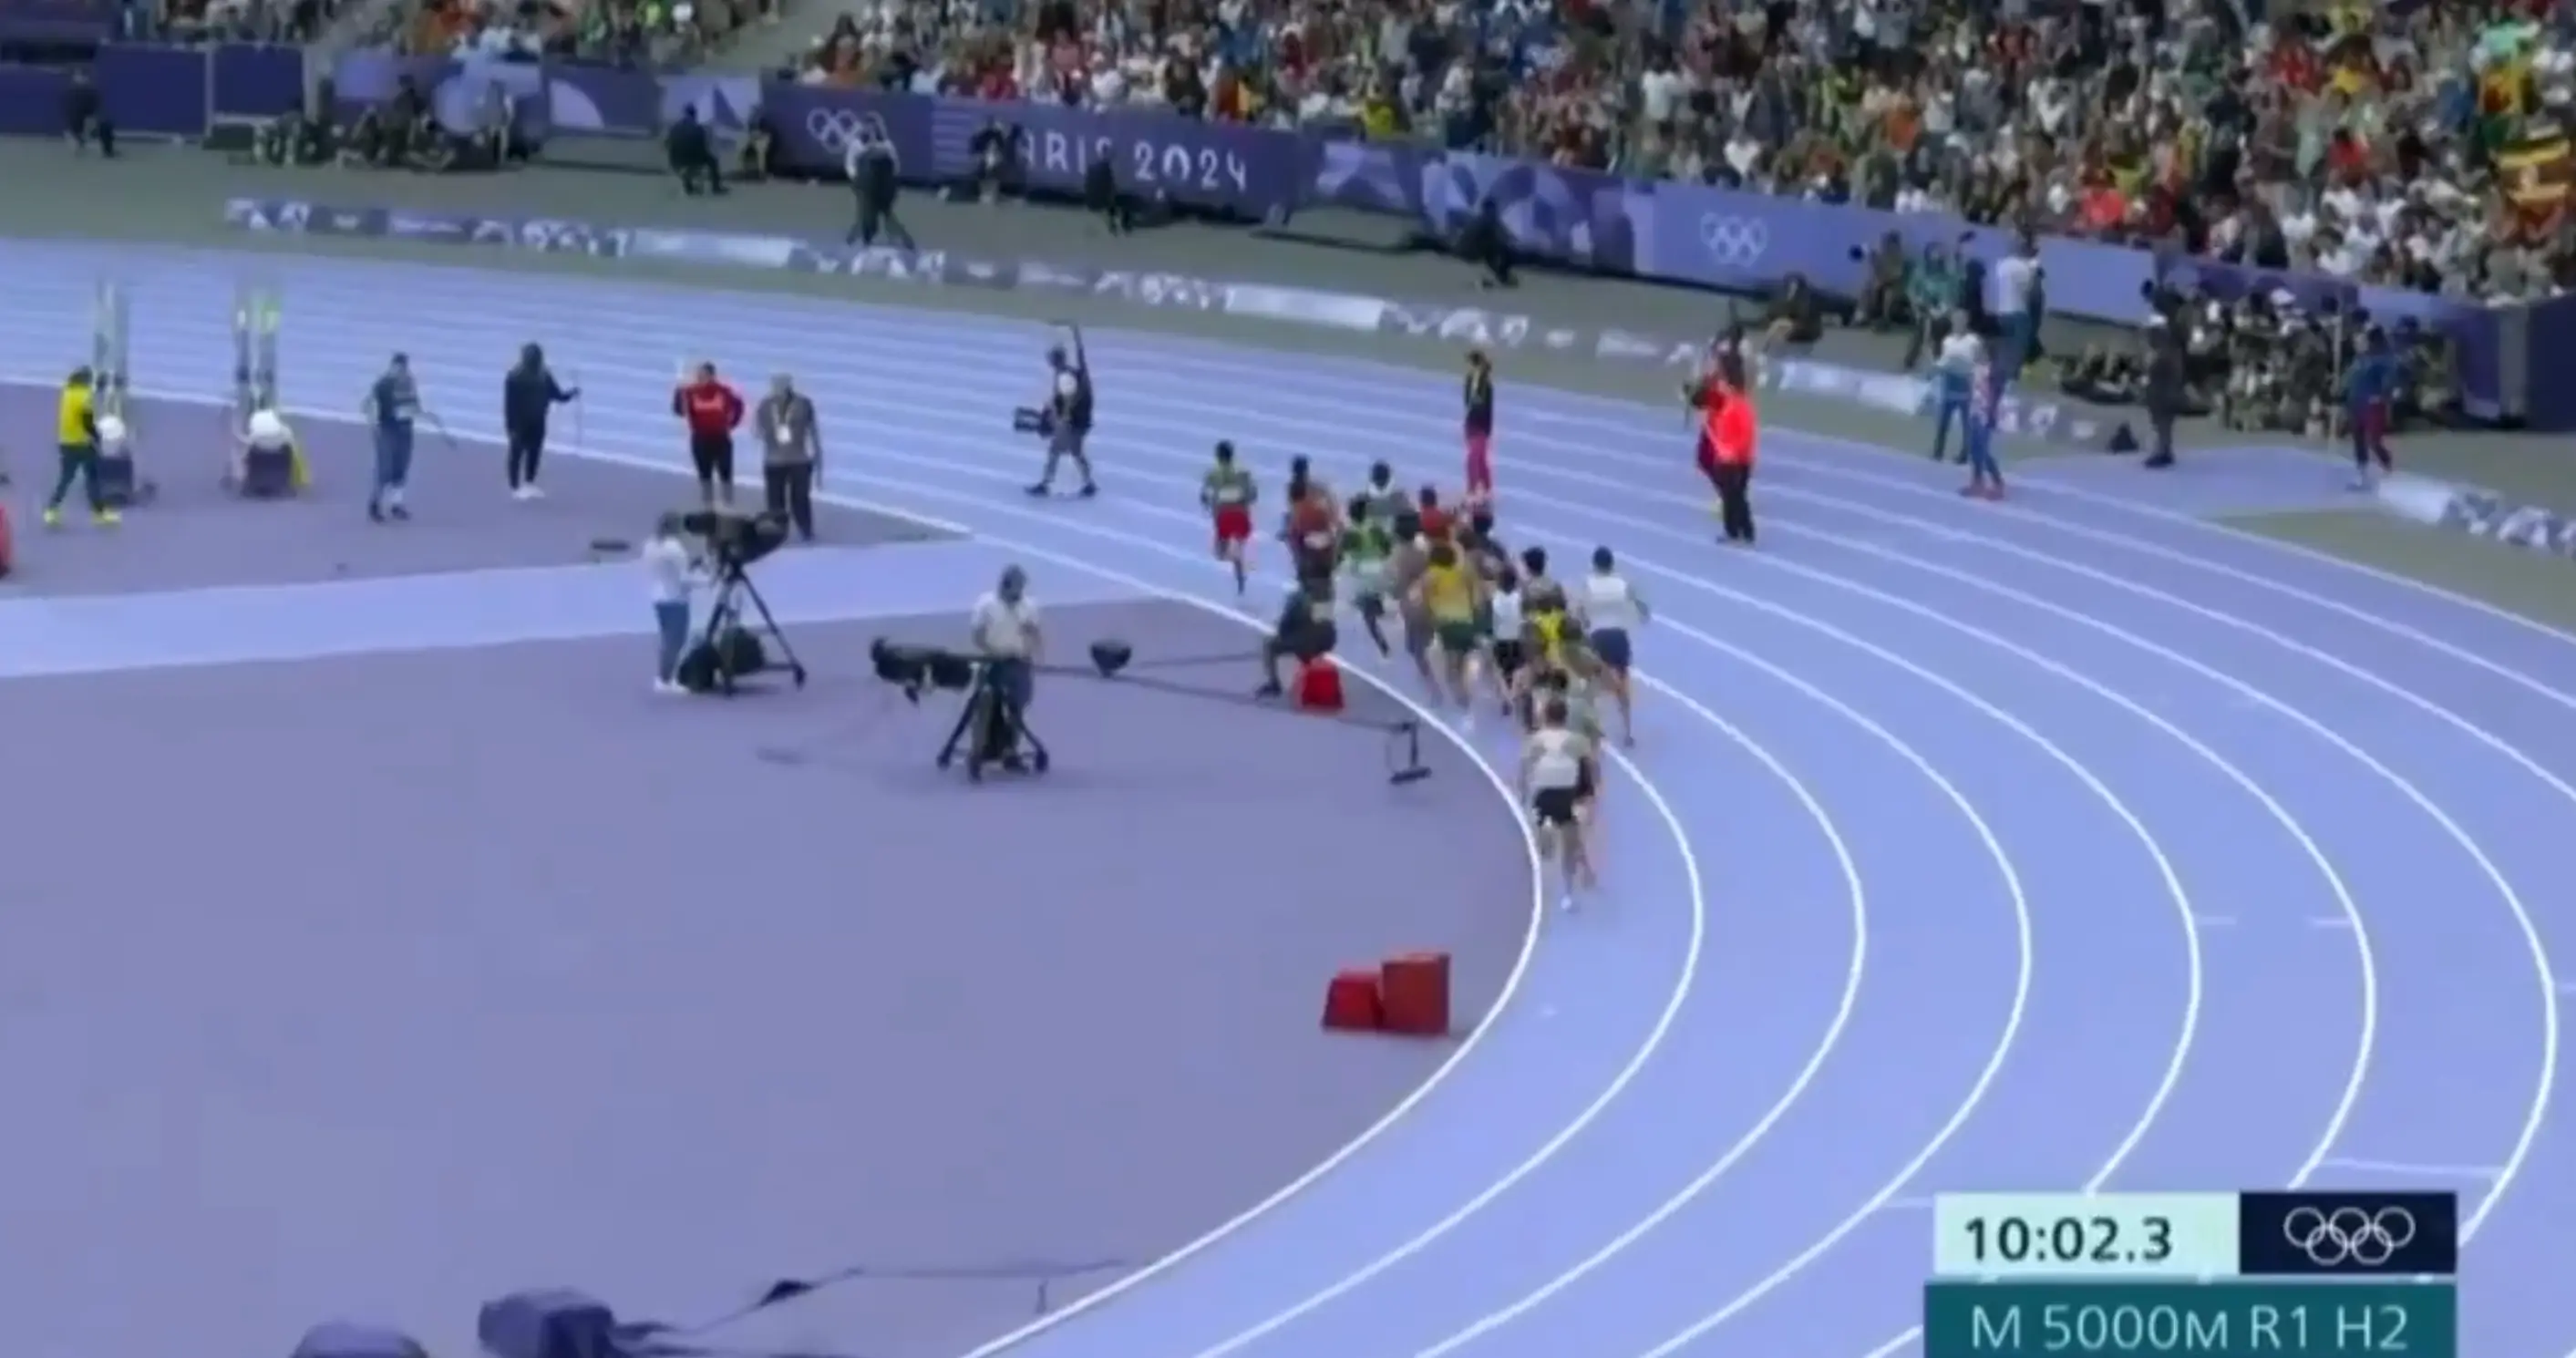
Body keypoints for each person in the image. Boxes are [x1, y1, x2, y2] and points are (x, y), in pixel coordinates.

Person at [1520, 693, 1595, 912]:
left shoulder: (1536, 740)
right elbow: (1590, 766)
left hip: (1544, 795)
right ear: (1565, 716)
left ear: (1545, 716)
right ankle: (1568, 893)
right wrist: (1593, 792)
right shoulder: (1578, 741)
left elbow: (1523, 766)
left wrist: (1522, 791)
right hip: (1568, 796)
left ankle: (1547, 836)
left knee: (1546, 849)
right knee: (1569, 847)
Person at [969, 565, 1042, 756]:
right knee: (984, 703)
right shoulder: (986, 604)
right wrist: (993, 652)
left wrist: (1030, 652)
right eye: (1014, 588)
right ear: (1004, 585)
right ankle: (978, 749)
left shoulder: (1029, 607)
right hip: (992, 663)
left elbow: (1035, 635)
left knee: (1016, 707)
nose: (1018, 593)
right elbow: (977, 635)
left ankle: (1011, 750)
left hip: (1018, 663)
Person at [1414, 540, 1485, 721]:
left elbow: (1422, 603)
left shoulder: (1430, 576)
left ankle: (1466, 708)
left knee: (1451, 671)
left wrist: (1429, 620)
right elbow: (1478, 601)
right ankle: (1466, 699)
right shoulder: (1463, 573)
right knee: (1460, 665)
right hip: (1467, 623)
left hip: (1447, 626)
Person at [503, 343, 579, 500]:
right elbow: (510, 405)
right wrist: (510, 426)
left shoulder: (538, 377)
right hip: (524, 421)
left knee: (530, 454)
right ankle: (517, 487)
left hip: (532, 421)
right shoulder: (517, 378)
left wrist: (571, 394)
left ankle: (526, 484)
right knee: (521, 453)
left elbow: (557, 395)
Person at [45, 366, 116, 530]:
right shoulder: (85, 397)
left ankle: (51, 510)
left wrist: (98, 388)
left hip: (65, 441)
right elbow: (87, 421)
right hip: (81, 443)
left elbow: (85, 396)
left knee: (66, 478)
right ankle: (100, 513)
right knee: (92, 476)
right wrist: (97, 436)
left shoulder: (67, 392)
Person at [756, 374, 824, 540]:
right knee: (776, 502)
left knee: (799, 499)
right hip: (776, 459)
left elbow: (814, 432)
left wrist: (817, 457)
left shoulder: (803, 404)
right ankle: (778, 533)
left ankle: (805, 531)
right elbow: (758, 431)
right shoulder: (765, 405)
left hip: (797, 459)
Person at [1026, 340, 1097, 498]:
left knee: (1055, 451)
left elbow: (1067, 403)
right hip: (1079, 422)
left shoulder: (1064, 377)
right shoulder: (1068, 373)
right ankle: (1089, 483)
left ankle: (1045, 484)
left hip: (1072, 423)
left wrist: (1058, 422)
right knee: (1076, 453)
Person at [644, 512, 701, 694]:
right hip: (676, 598)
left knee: (668, 639)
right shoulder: (675, 548)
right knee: (676, 641)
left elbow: (668, 570)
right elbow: (684, 580)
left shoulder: (650, 545)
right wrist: (707, 581)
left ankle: (666, 677)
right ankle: (665, 679)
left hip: (659, 597)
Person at [363, 352, 424, 522]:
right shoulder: (384, 384)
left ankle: (396, 504)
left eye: (404, 367)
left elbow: (415, 403)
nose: (402, 371)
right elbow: (369, 405)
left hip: (405, 431)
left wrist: (417, 410)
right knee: (385, 468)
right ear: (393, 366)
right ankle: (375, 503)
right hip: (387, 431)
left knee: (401, 467)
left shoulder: (410, 384)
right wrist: (373, 425)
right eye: (399, 367)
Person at [673, 362, 744, 508]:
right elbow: (679, 411)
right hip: (700, 438)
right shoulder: (689, 392)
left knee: (725, 472)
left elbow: (739, 405)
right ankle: (708, 505)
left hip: (721, 437)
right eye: (698, 375)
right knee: (705, 475)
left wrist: (732, 424)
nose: (699, 377)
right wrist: (677, 394)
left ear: (712, 376)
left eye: (703, 375)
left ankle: (728, 504)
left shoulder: (724, 391)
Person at [1699, 373, 1758, 545]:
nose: (1720, 387)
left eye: (1723, 384)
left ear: (1731, 386)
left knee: (1736, 495)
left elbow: (1746, 434)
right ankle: (1735, 530)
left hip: (1737, 459)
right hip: (1725, 456)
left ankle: (1745, 531)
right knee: (1730, 495)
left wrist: (1734, 452)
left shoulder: (1740, 406)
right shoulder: (1726, 404)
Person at [1255, 576, 1337, 698]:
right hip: (1327, 641)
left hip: (1305, 641)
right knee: (1305, 637)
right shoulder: (1326, 596)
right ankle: (1310, 673)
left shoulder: (1298, 597)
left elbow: (1285, 624)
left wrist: (1282, 631)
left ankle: (1274, 683)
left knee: (1270, 645)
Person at [1338, 494, 1395, 656]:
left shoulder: (1350, 534)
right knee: (1375, 600)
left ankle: (1384, 648)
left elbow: (1340, 554)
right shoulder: (1375, 528)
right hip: (1380, 571)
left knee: (1368, 618)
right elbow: (1387, 548)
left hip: (1363, 577)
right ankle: (1380, 608)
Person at [2344, 329, 2399, 489]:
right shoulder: (2357, 360)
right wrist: (2341, 392)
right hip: (2356, 403)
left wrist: (2383, 395)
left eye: (2360, 341)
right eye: (2356, 342)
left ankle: (2387, 466)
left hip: (2372, 404)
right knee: (2358, 440)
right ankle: (2362, 475)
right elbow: (2349, 380)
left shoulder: (2381, 360)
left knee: (2373, 440)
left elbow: (2390, 379)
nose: (2357, 344)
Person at [1201, 440, 1257, 594]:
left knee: (1219, 553)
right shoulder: (1243, 472)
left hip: (1224, 516)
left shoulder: (1213, 474)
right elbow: (1253, 493)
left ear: (1218, 456)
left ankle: (1232, 554)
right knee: (1239, 541)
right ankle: (1238, 561)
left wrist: (1209, 504)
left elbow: (1205, 495)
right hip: (1241, 514)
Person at [1928, 312, 1982, 464]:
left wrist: (1977, 378)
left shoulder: (1973, 341)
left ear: (1966, 322)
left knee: (1967, 424)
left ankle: (1964, 454)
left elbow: (1978, 361)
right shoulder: (1948, 341)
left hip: (1966, 385)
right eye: (1956, 321)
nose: (1958, 324)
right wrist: (1935, 368)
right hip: (1949, 384)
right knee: (1943, 422)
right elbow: (1944, 361)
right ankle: (1938, 451)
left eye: (1961, 321)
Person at [1962, 355, 2007, 500]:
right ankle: (1977, 481)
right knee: (1974, 449)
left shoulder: (1993, 372)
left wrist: (1991, 414)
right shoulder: (1975, 369)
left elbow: (1995, 394)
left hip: (1985, 414)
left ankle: (1998, 482)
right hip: (1974, 411)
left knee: (1983, 451)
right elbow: (1972, 389)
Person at [1462, 349, 1497, 508]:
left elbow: (1488, 409)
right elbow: (1466, 402)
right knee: (1480, 459)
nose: (1468, 367)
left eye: (1470, 363)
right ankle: (1488, 490)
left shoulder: (1487, 386)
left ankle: (1473, 492)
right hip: (1470, 423)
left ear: (1476, 365)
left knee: (1473, 459)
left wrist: (1488, 429)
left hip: (1480, 426)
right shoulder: (1469, 381)